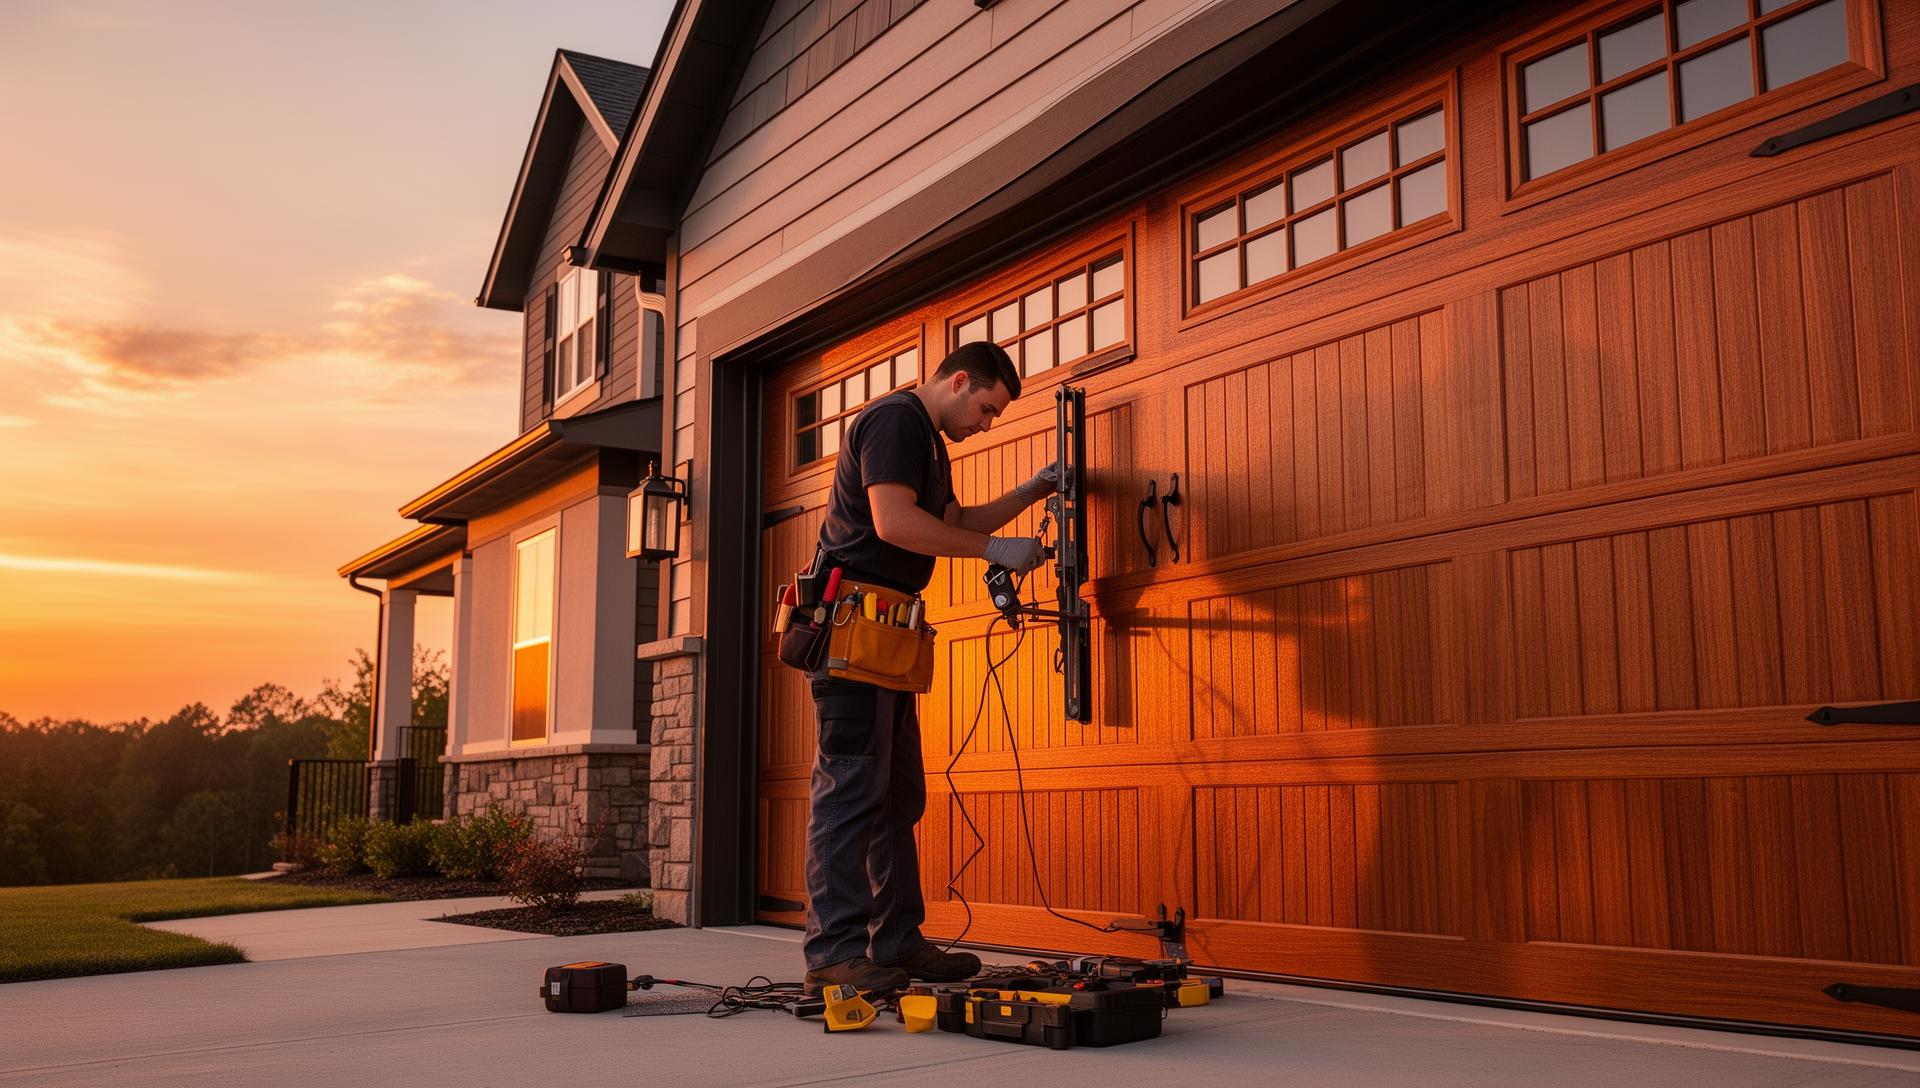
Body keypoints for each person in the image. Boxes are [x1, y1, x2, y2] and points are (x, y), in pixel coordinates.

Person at [803, 340, 1054, 994]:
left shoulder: (929, 440)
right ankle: (832, 956)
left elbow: (953, 520)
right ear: (959, 380)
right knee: (850, 791)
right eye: (988, 409)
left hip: (886, 636)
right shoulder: (895, 420)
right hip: (854, 631)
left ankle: (896, 941)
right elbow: (893, 523)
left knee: (895, 795)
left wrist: (1030, 491)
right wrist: (993, 549)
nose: (987, 425)